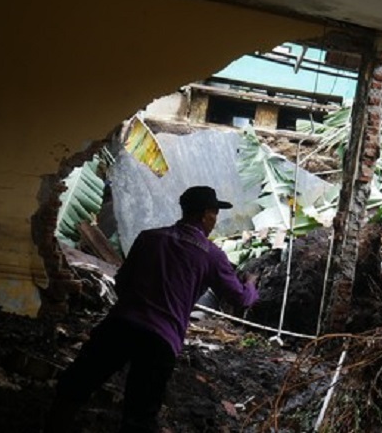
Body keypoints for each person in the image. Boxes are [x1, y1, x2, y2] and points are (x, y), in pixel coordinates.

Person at [45, 186, 258, 433]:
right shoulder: (212, 256)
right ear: (204, 215)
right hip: (161, 340)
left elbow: (122, 281)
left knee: (74, 387)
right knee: (140, 416)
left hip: (121, 325)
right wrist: (251, 284)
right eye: (214, 213)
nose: (215, 219)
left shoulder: (150, 237)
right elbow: (241, 299)